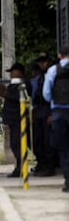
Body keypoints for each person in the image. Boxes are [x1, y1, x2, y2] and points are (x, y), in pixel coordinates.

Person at [43, 45, 69, 192]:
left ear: (59, 55)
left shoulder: (53, 70)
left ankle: (68, 181)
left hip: (59, 113)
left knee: (64, 148)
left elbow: (46, 93)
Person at [0, 63, 29, 177]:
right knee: (15, 144)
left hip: (19, 119)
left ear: (20, 72)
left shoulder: (23, 84)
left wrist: (7, 95)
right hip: (12, 119)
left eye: (13, 72)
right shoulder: (13, 84)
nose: (11, 74)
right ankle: (19, 167)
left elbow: (22, 98)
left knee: (17, 144)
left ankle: (21, 168)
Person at [30, 56, 56, 176]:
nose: (42, 65)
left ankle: (50, 167)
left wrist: (52, 113)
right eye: (40, 63)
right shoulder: (40, 77)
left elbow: (53, 96)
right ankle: (42, 164)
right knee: (38, 140)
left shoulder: (53, 74)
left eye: (43, 62)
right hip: (40, 111)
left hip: (48, 110)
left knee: (48, 141)